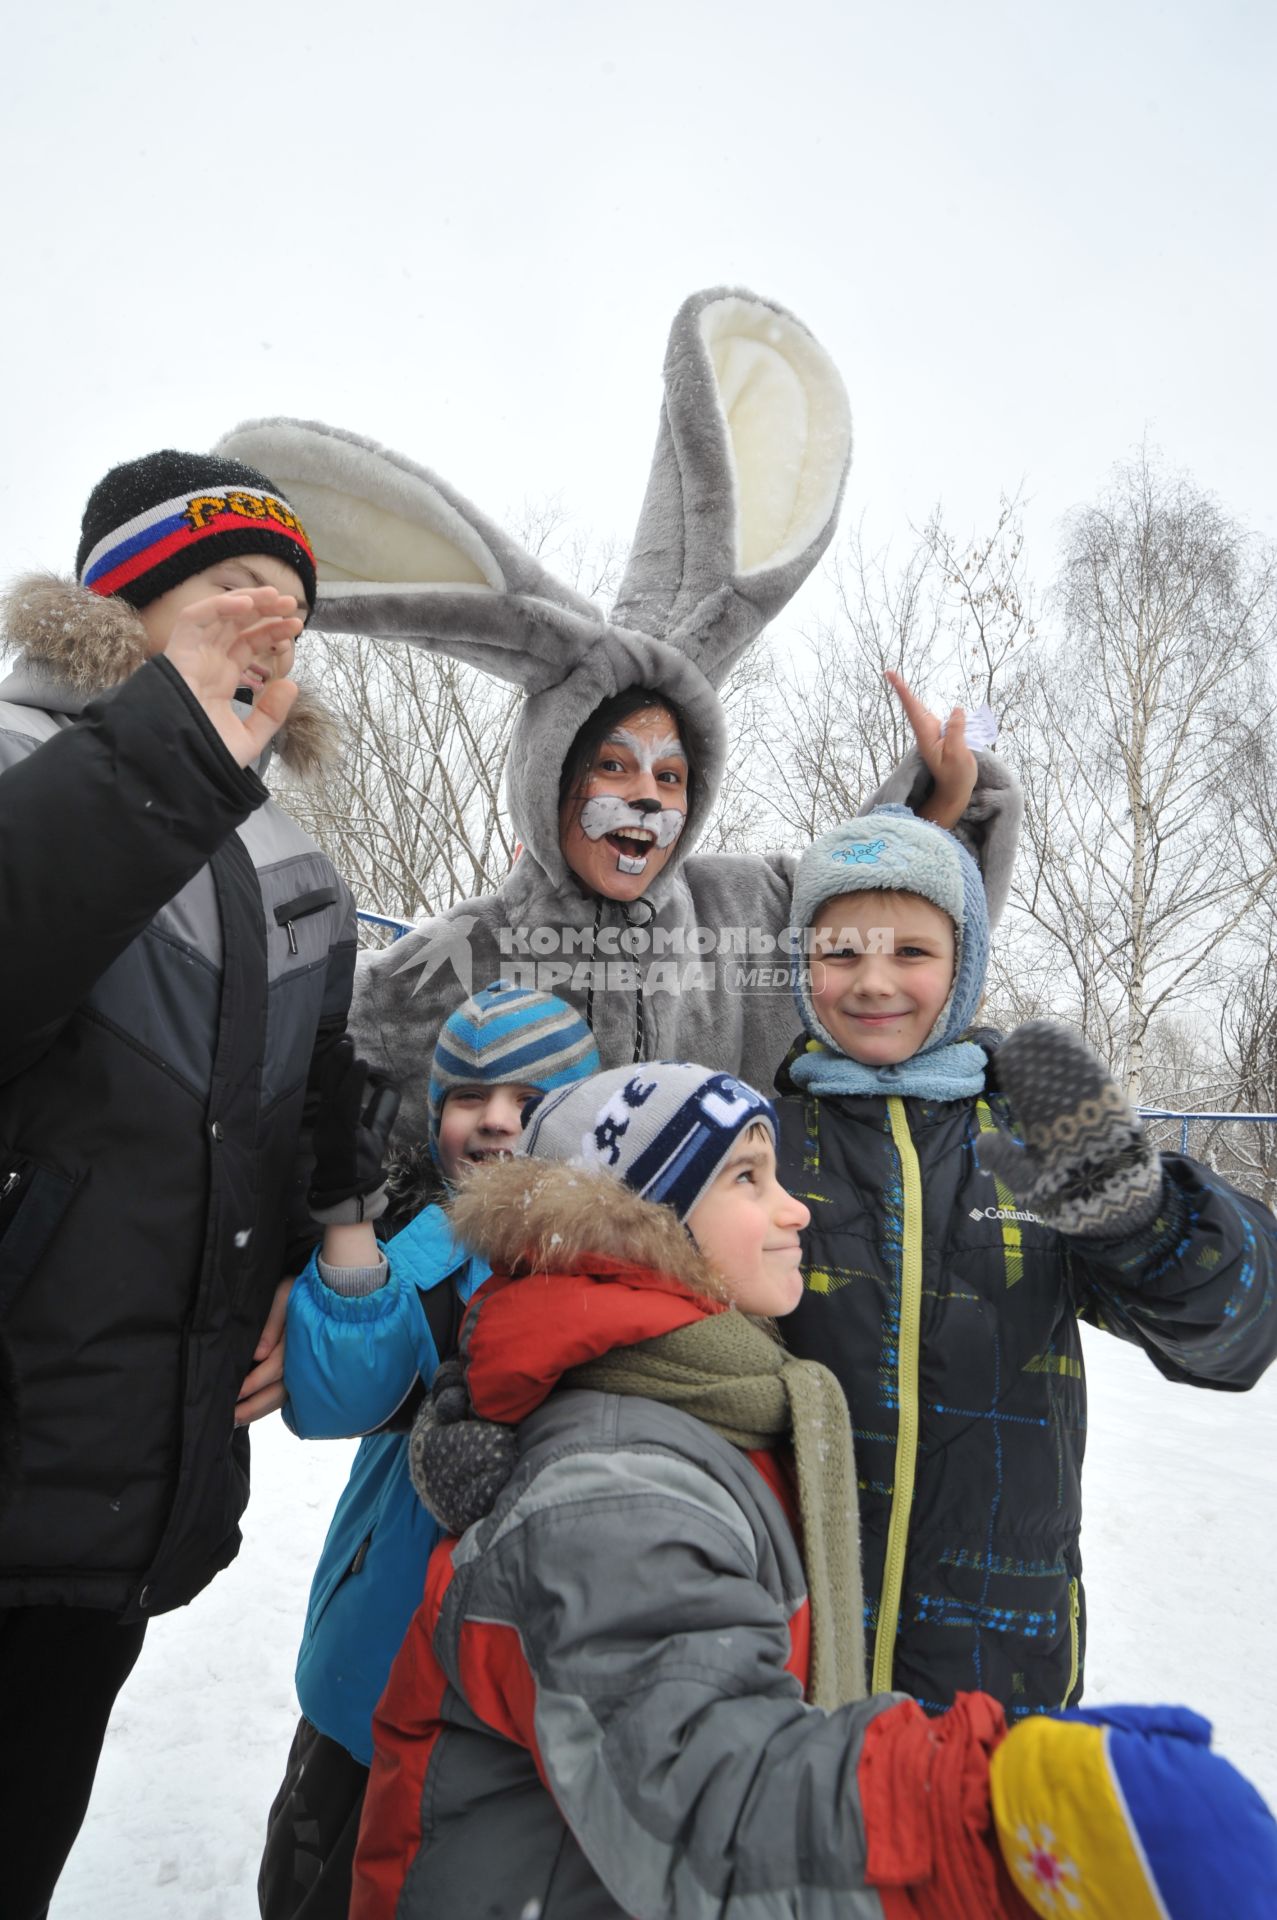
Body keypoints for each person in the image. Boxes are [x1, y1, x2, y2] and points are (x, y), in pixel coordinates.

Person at [350, 1063, 1277, 1920]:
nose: (796, 1211)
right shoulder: (620, 1482)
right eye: (749, 1179)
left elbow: (1225, 1325)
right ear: (640, 1222)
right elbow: (705, 1791)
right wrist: (989, 1816)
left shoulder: (699, 1396)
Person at [216, 287, 1022, 1144]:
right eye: (612, 765)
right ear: (551, 775)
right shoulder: (465, 953)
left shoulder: (752, 914)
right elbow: (293, 1035)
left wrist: (938, 808)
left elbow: (879, 928)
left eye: (670, 776)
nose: (645, 799)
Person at [0, 451, 357, 1920]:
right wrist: (169, 744)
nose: (270, 620)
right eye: (231, 590)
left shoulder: (295, 862)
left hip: (123, 1481)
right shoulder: (20, 757)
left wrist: (313, 1244)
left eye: (290, 602)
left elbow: (314, 1102)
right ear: (120, 603)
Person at [773, 805, 1277, 1717]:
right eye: (840, 952)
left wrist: (1143, 1219)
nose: (873, 982)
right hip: (783, 1644)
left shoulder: (1032, 1140)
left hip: (993, 1661)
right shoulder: (753, 1147)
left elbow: (1231, 1337)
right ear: (800, 966)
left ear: (963, 963)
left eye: (912, 954)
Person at [258, 982, 599, 1920]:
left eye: (527, 1105)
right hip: (381, 1657)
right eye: (467, 1099)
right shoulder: (427, 1250)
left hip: (543, 1688)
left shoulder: (621, 1261)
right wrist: (349, 1227)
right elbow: (343, 1399)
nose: (494, 1124)